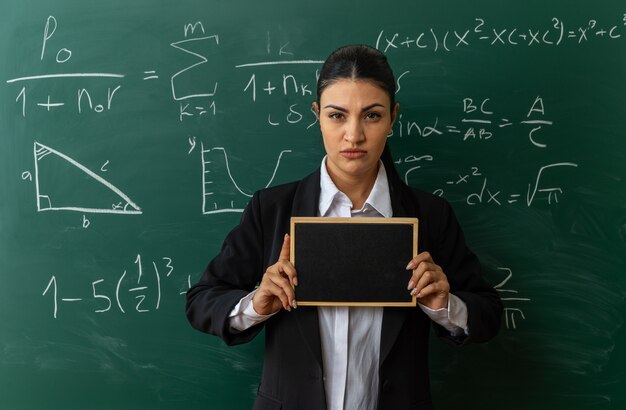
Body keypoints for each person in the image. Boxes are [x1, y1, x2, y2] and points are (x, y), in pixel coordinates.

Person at [186, 44, 502, 410]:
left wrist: (444, 305)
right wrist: (257, 303)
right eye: (337, 116)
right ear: (317, 115)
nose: (354, 135)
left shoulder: (430, 215)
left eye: (371, 116)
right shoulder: (271, 209)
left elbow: (488, 314)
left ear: (392, 118)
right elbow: (201, 302)